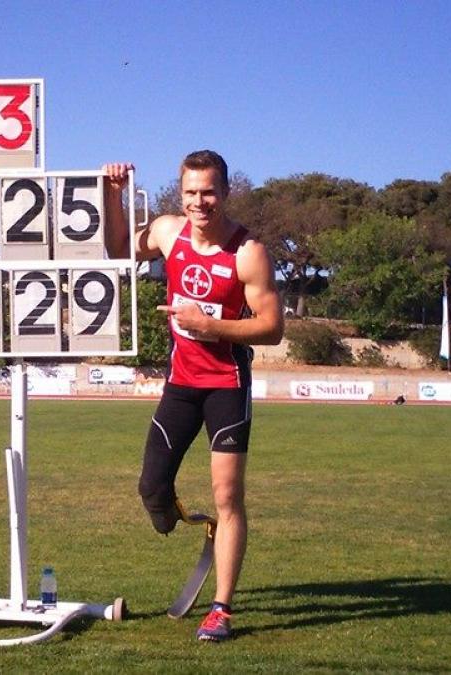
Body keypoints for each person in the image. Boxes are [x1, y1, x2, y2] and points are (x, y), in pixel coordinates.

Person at [103, 150, 284, 642]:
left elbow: (272, 328)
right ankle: (191, 521)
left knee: (229, 496)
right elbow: (119, 248)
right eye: (190, 193)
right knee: (151, 488)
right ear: (179, 194)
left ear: (225, 192)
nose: (200, 202)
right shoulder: (167, 232)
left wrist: (211, 326)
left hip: (226, 386)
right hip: (180, 385)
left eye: (209, 192)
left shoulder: (248, 252)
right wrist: (113, 195)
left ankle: (221, 609)